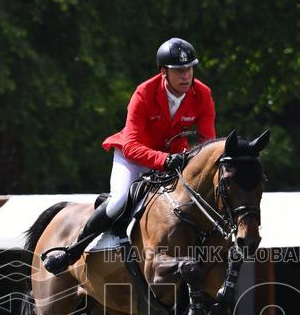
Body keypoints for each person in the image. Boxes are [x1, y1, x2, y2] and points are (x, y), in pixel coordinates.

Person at [42, 37, 216, 274]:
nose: (186, 75)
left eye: (189, 68)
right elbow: (132, 145)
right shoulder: (144, 93)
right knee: (119, 201)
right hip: (133, 157)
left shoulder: (203, 94)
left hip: (174, 157)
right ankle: (73, 250)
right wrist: (164, 160)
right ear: (164, 71)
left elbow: (208, 143)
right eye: (179, 70)